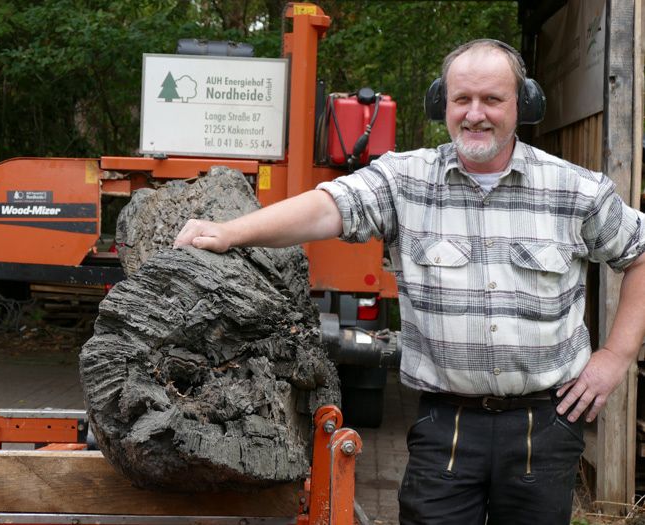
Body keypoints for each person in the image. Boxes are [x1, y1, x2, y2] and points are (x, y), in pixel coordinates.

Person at [174, 39, 645, 524]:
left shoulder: (575, 190)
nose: (475, 114)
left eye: (492, 100)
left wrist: (615, 357)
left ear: (521, 104)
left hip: (544, 428)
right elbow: (327, 206)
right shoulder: (405, 181)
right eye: (462, 99)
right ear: (444, 102)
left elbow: (641, 254)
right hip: (446, 426)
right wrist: (232, 232)